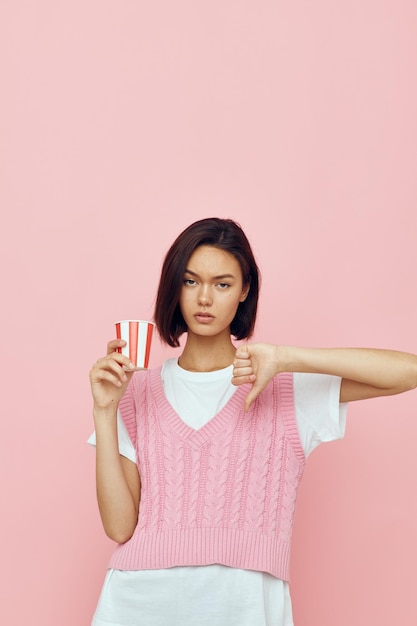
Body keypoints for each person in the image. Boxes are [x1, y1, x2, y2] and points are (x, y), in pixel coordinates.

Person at [88, 217, 417, 626]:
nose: (204, 298)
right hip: (137, 604)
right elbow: (120, 528)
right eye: (191, 281)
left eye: (222, 284)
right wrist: (104, 410)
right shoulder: (135, 392)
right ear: (174, 286)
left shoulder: (283, 388)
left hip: (244, 609)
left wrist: (287, 358)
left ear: (245, 290)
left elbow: (408, 371)